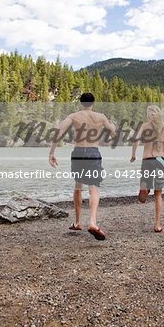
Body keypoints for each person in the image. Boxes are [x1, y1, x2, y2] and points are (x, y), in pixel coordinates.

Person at [49, 92, 116, 240]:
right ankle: (92, 222)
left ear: (81, 103)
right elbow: (113, 134)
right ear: (93, 102)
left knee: (78, 187)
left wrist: (52, 153)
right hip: (93, 152)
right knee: (93, 188)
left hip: (78, 152)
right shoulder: (101, 117)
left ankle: (78, 222)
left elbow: (59, 132)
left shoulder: (74, 116)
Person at [130, 105, 164, 233]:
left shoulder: (144, 126)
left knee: (144, 191)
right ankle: (157, 225)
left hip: (147, 161)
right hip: (160, 161)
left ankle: (145, 189)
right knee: (158, 194)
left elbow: (135, 140)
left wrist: (133, 154)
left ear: (149, 114)